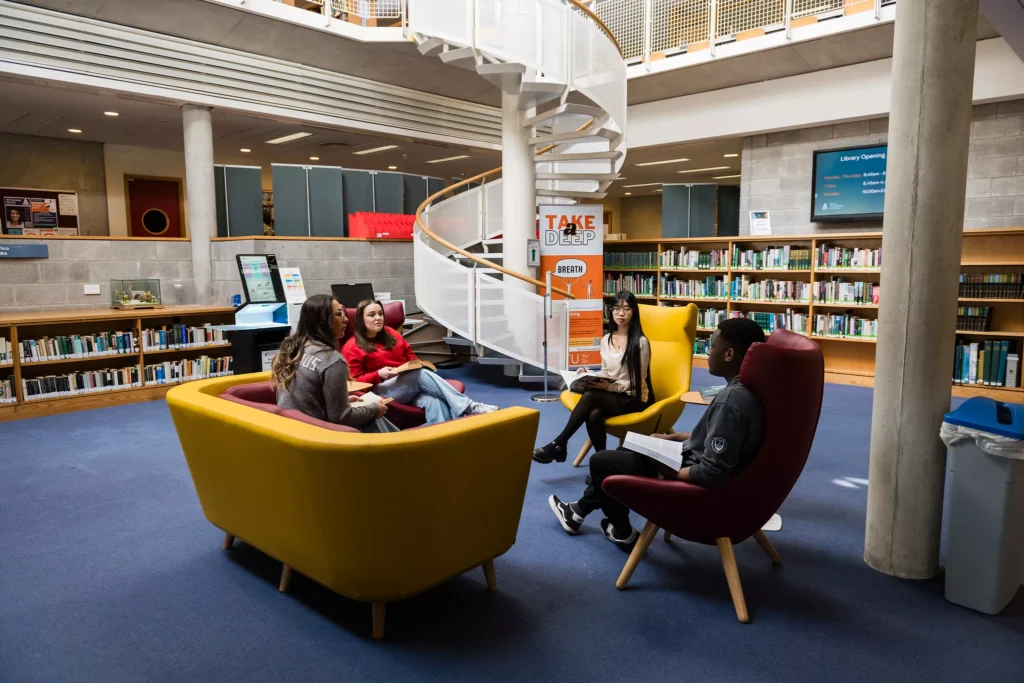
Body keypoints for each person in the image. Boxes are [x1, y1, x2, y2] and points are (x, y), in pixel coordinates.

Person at [547, 317, 767, 551]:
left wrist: (666, 469)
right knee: (629, 447)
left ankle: (620, 531)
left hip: (690, 478)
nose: (707, 351)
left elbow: (712, 473)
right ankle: (579, 511)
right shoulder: (742, 389)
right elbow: (711, 438)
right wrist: (669, 439)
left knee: (601, 462)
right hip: (688, 456)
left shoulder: (729, 403)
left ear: (729, 354)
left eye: (712, 345)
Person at [533, 290, 653, 464]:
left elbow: (637, 382)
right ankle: (602, 462)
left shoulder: (640, 343)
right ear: (610, 311)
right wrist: (589, 374)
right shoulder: (606, 340)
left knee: (590, 396)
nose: (621, 313)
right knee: (593, 415)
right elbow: (607, 373)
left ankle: (559, 443)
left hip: (634, 398)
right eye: (617, 308)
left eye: (627, 309)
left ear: (634, 312)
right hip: (613, 395)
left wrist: (609, 387)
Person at [342, 299, 498, 424]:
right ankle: (468, 406)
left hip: (406, 386)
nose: (378, 318)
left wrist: (414, 364)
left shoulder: (391, 334)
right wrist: (379, 374)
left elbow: (410, 356)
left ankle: (443, 442)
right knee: (420, 375)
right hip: (380, 391)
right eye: (371, 315)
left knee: (434, 401)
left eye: (380, 314)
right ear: (361, 320)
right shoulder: (351, 347)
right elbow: (355, 383)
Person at [273, 294, 398, 433]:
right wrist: (375, 409)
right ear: (323, 321)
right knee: (373, 415)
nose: (346, 319)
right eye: (339, 314)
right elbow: (340, 417)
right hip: (318, 434)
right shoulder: (332, 360)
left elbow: (305, 398)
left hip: (289, 429)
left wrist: (342, 400)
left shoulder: (294, 349)